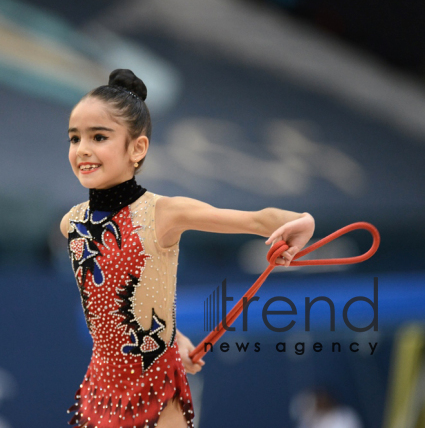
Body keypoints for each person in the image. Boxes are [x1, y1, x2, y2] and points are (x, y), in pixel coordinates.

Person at [60, 69, 315, 428]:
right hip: (101, 389)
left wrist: (304, 222)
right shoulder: (72, 223)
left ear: (137, 148)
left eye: (99, 137)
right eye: (75, 138)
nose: (83, 149)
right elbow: (126, 303)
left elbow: (258, 220)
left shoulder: (163, 213)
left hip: (156, 388)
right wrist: (175, 337)